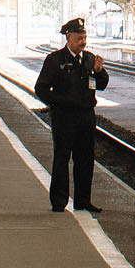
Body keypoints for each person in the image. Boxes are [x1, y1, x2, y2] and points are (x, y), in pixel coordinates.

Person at [34, 17, 110, 212]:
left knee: (85, 159)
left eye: (85, 38)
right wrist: (57, 104)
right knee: (62, 158)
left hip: (86, 116)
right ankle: (59, 202)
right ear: (68, 37)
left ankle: (83, 201)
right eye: (79, 38)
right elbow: (41, 88)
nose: (83, 42)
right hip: (64, 117)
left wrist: (99, 72)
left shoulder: (90, 59)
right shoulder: (55, 60)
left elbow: (101, 85)